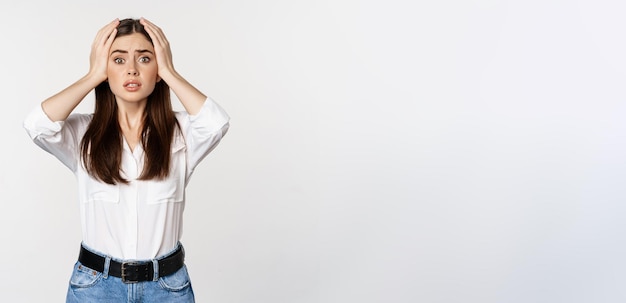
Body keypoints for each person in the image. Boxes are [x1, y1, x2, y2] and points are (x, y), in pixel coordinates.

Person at [23, 17, 229, 302]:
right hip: (95, 288)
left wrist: (169, 71)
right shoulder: (84, 133)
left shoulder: (182, 134)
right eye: (118, 60)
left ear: (157, 70)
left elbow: (217, 124)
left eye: (145, 58)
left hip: (167, 288)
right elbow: (37, 125)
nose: (132, 69)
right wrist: (93, 74)